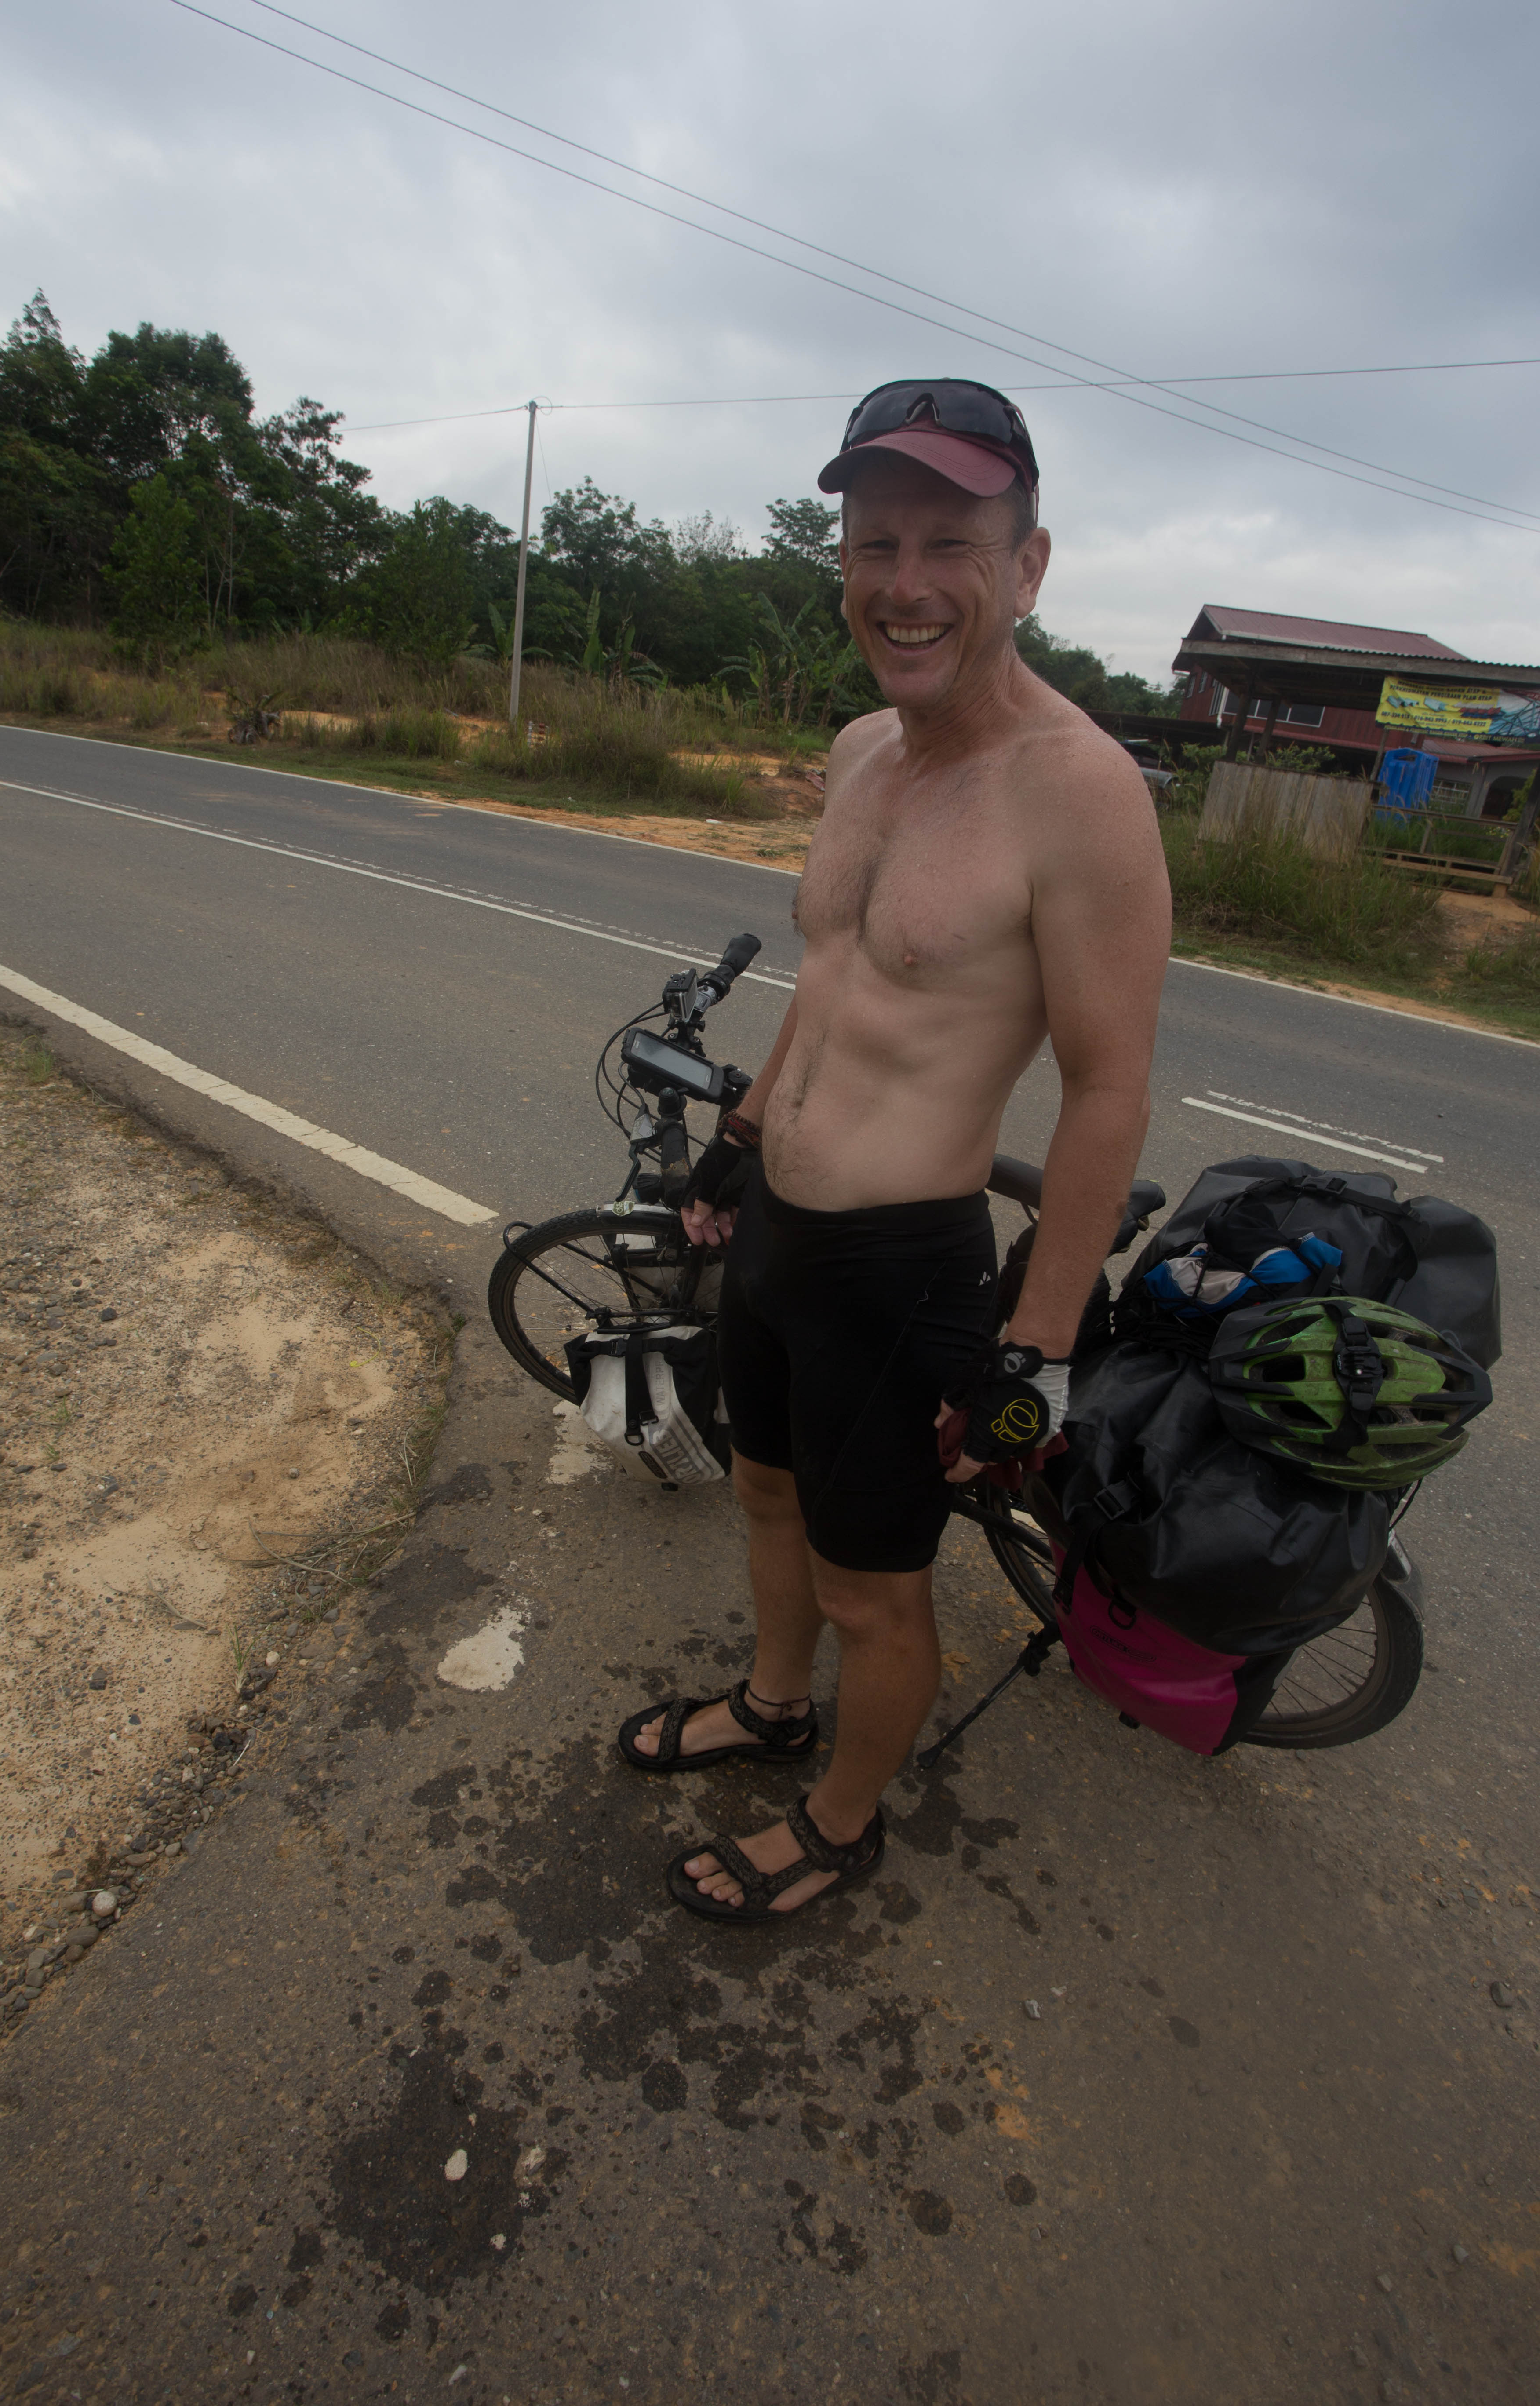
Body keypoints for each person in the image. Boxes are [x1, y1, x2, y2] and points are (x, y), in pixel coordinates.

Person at [615, 379, 1172, 1921]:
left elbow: (1109, 1089)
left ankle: (843, 1819)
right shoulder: (865, 750)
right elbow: (835, 977)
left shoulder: (1081, 793)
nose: (905, 582)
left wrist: (1033, 1356)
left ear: (1031, 566)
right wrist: (737, 1152)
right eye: (874, 543)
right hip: (783, 1232)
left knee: (878, 1583)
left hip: (898, 1268)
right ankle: (770, 1705)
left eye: (950, 543)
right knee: (763, 1498)